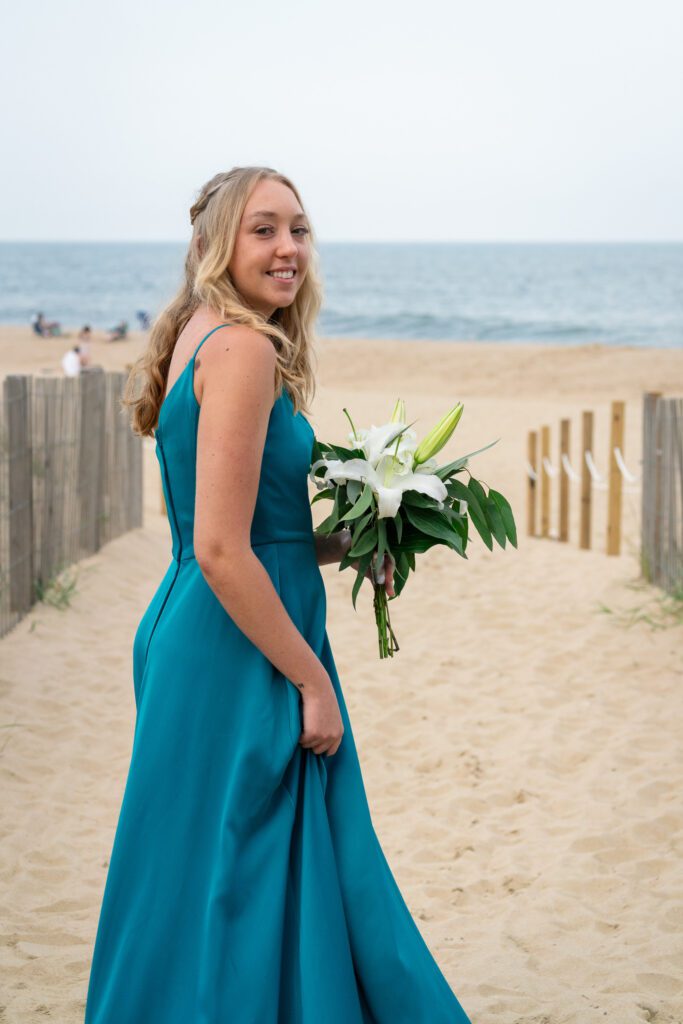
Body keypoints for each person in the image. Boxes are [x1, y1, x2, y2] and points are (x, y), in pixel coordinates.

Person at [84, 166, 473, 1023]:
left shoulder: (202, 331)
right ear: (215, 244)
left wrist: (357, 542)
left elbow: (244, 535)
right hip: (241, 644)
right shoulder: (247, 349)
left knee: (205, 868)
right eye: (263, 229)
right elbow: (225, 550)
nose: (288, 248)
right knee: (252, 867)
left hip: (198, 623)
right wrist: (311, 681)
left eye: (298, 228)